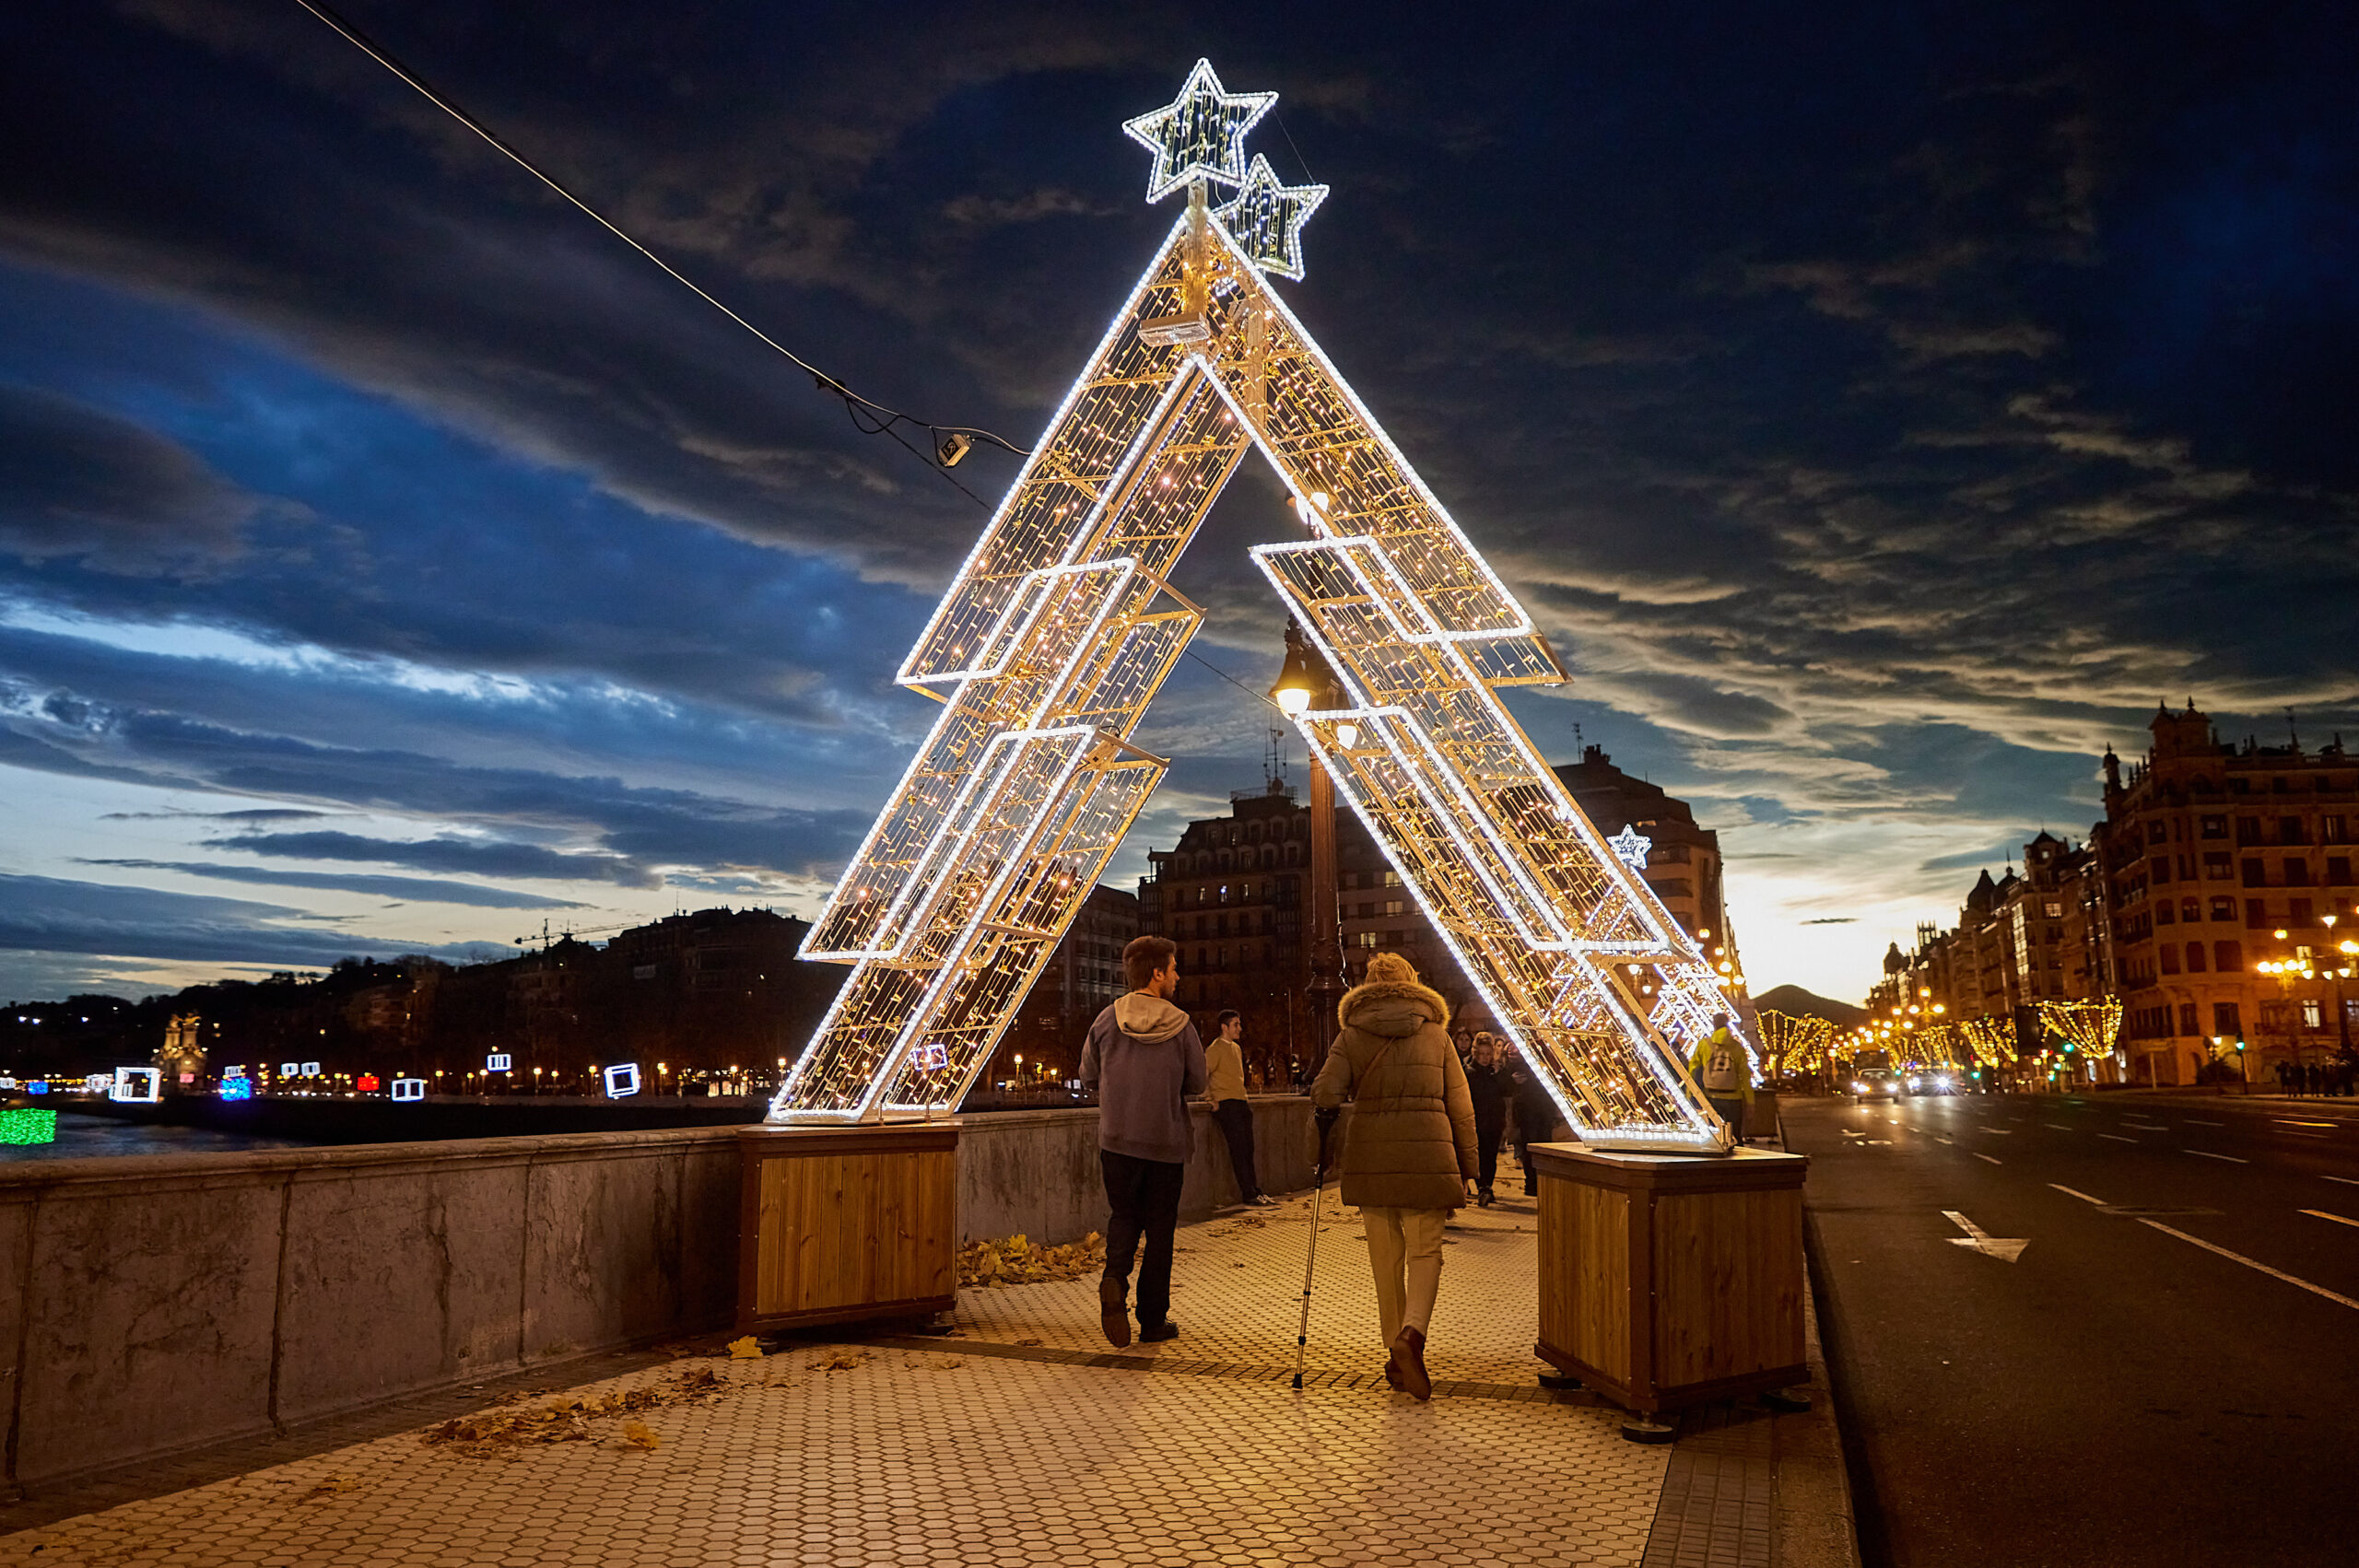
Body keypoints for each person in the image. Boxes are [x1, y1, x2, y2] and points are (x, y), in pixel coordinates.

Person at [1311, 951, 1478, 1402]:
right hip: (1428, 1155)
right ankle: (1412, 1338)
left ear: (1367, 987)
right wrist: (1471, 1167)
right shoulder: (1437, 1035)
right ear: (1412, 983)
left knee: (1386, 1260)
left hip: (1371, 1156)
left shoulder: (1351, 1034)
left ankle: (1393, 1350)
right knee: (1427, 1252)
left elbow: (1325, 1091)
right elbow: (1461, 1106)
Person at [1080, 935, 1206, 1349]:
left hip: (1116, 1140)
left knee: (1124, 1217)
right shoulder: (1182, 1024)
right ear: (1156, 974)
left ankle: (1114, 1279)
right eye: (1172, 969)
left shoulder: (1105, 1020)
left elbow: (1088, 1076)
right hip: (1164, 1143)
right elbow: (1198, 1082)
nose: (1177, 976)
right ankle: (1152, 1320)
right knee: (1160, 1230)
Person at [1205, 1009, 1273, 1207]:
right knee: (1238, 1150)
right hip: (1226, 1104)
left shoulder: (1236, 1048)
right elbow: (1203, 1073)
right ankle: (1248, 1193)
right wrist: (1210, 1099)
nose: (1240, 1028)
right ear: (1224, 1027)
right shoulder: (1215, 1049)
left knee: (1248, 1149)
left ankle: (1255, 1191)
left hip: (1241, 1102)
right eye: (1235, 1024)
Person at [1464, 1032, 1514, 1207]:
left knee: (1490, 1155)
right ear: (1476, 1053)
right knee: (1478, 1155)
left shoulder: (1497, 1071)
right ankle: (1482, 1187)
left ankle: (1487, 1186)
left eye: (1488, 1054)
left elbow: (1508, 1091)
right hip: (1475, 1119)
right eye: (1482, 1054)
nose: (1485, 1058)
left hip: (1494, 1120)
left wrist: (1500, 1073)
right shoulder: (1468, 1071)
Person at [1688, 1012, 1754, 1140]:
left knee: (1715, 1137)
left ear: (1714, 1024)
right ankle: (1738, 1158)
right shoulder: (1737, 1047)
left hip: (1711, 1096)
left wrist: (1690, 1094)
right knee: (1735, 1137)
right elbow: (1745, 1077)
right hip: (1734, 1098)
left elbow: (1693, 1071)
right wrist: (1750, 1102)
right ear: (1727, 1023)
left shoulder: (1704, 1045)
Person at [1509, 1046, 1562, 1196]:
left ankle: (1538, 1182)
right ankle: (1532, 1182)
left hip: (1540, 1105)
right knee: (1531, 1144)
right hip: (1528, 1106)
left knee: (1540, 1143)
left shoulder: (1544, 1050)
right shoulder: (1520, 1050)